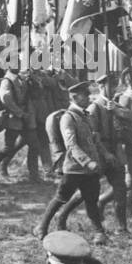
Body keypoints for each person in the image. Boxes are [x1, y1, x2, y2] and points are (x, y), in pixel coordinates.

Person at [36, 81, 108, 241]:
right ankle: (42, 227)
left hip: (90, 169)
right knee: (61, 198)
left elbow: (93, 140)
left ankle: (99, 232)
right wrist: (87, 162)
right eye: (85, 95)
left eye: (88, 95)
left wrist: (102, 153)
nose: (89, 98)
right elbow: (71, 145)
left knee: (91, 201)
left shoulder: (86, 116)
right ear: (75, 97)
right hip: (74, 168)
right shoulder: (68, 118)